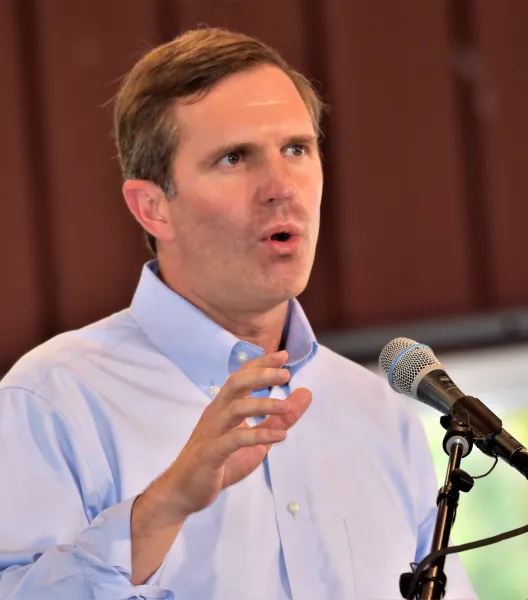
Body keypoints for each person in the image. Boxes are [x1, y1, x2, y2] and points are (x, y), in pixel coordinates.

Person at [0, 27, 477, 599]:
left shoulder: (376, 412)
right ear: (152, 207)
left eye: (297, 149)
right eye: (234, 158)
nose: (281, 187)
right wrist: (166, 504)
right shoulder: (52, 399)